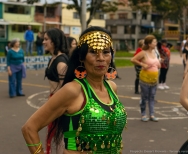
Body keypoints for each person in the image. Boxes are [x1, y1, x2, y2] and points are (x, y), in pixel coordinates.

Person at [22, 26, 127, 154]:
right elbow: (29, 128)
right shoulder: (73, 90)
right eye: (93, 52)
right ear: (82, 57)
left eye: (106, 52)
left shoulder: (112, 87)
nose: (101, 58)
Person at [43, 28, 69, 154]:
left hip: (58, 102)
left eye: (46, 39)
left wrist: (57, 105)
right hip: (53, 99)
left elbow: (66, 89)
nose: (43, 42)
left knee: (59, 137)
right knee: (53, 135)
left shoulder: (61, 62)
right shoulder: (53, 58)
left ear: (54, 41)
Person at [131, 35, 161, 122]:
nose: (156, 43)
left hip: (154, 79)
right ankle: (143, 114)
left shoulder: (155, 52)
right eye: (154, 42)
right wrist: (142, 64)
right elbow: (133, 59)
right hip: (145, 79)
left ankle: (152, 114)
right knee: (144, 97)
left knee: (152, 97)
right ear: (149, 44)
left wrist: (158, 63)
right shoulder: (144, 53)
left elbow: (157, 63)